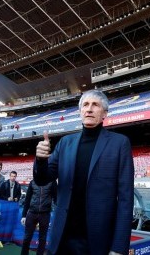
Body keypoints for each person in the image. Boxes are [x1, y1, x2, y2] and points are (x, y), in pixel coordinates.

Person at [34, 89, 135, 255]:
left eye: (95, 105)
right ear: (80, 112)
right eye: (85, 105)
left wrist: (118, 247)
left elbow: (126, 198)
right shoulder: (65, 142)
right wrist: (41, 159)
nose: (89, 108)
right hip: (62, 238)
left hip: (97, 240)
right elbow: (42, 179)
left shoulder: (120, 143)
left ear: (104, 114)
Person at [20, 179, 56, 255]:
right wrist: (23, 215)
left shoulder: (52, 182)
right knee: (27, 237)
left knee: (42, 239)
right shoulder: (32, 182)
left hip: (45, 214)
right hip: (32, 213)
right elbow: (27, 199)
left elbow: (56, 198)